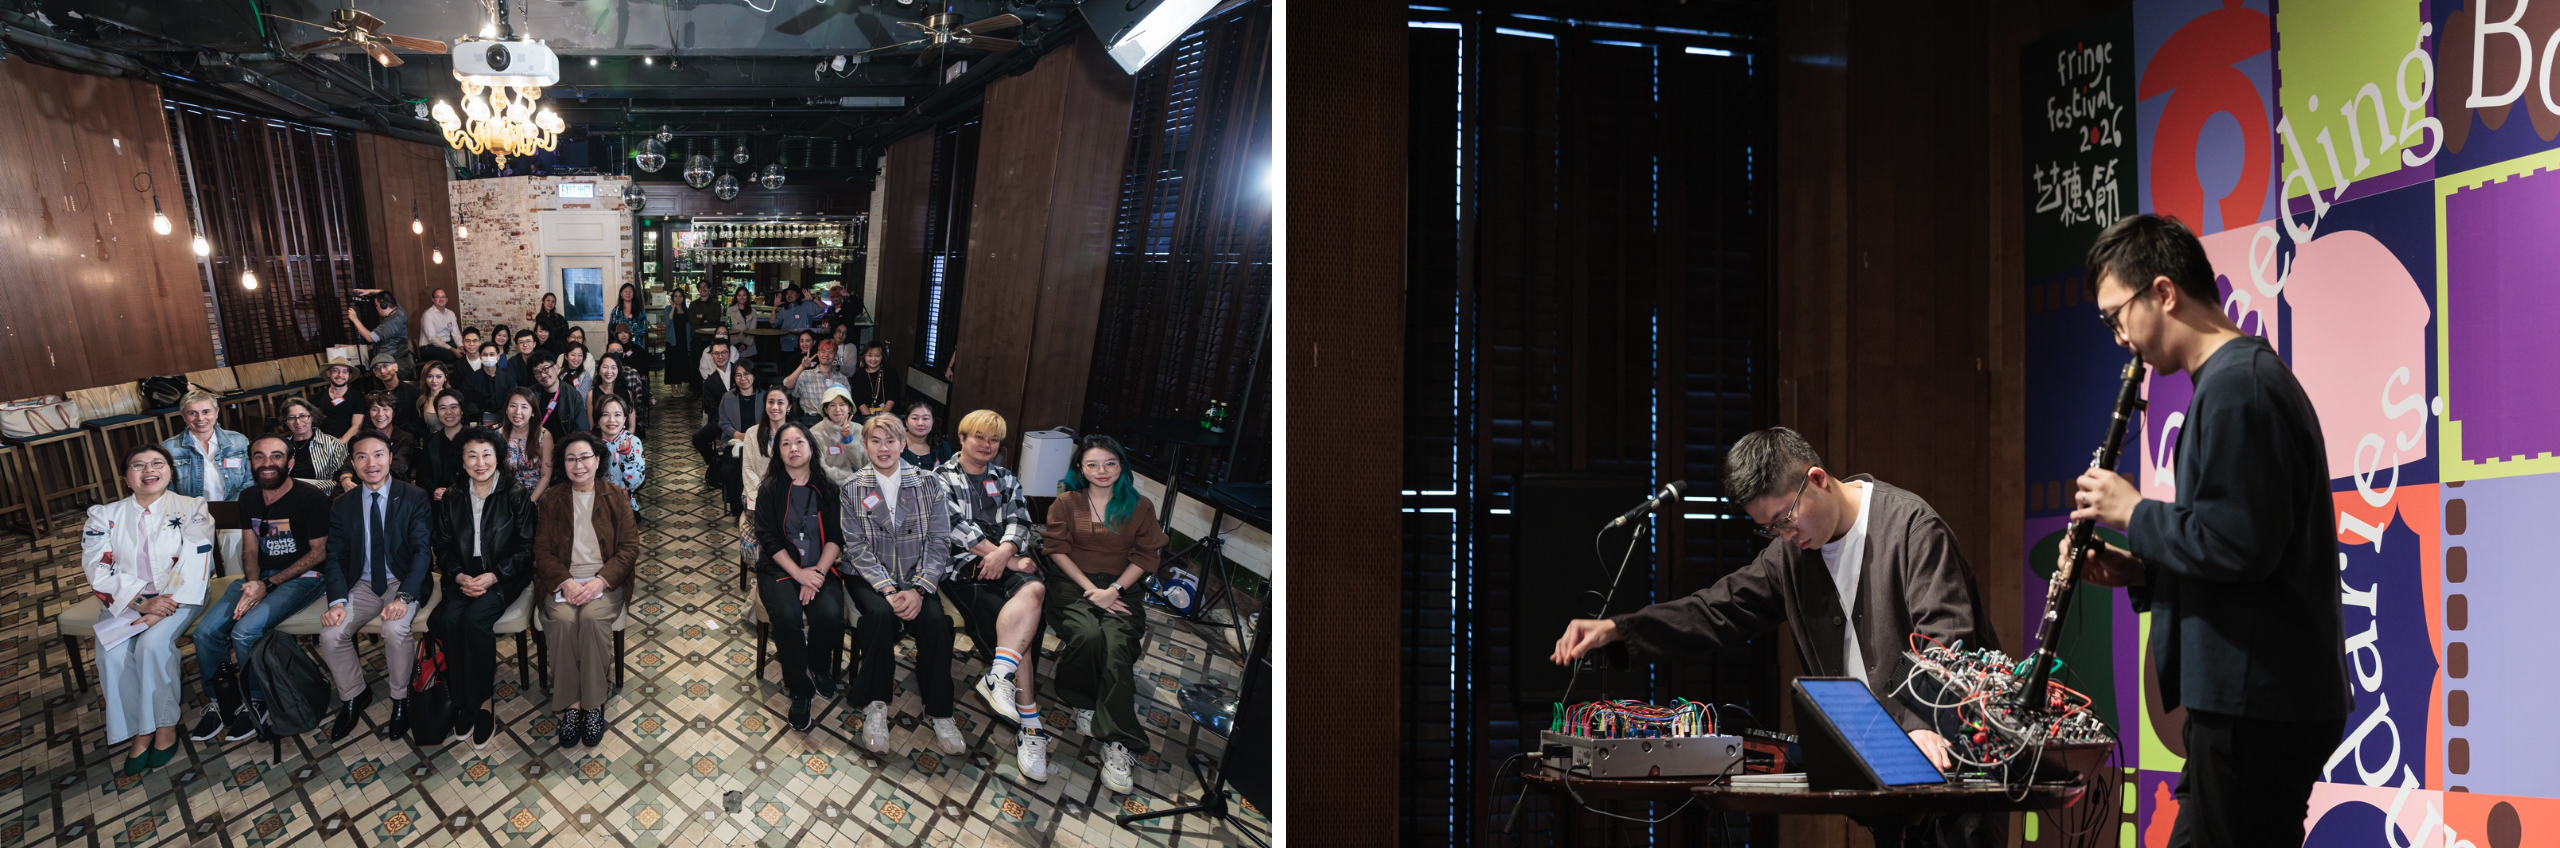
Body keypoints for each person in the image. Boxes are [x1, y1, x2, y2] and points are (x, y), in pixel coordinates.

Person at [1546, 427, 1998, 844]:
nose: (1783, 534)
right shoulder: (1790, 556)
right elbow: (1715, 609)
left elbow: (1943, 639)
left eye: (1785, 518)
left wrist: (1920, 726)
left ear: (1816, 478)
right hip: (1885, 775)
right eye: (1768, 528)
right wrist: (1619, 629)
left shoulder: (1911, 528)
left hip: (1955, 766)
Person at [2064, 214, 2349, 848]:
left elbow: (2240, 545)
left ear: (2163, 293)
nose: (2117, 338)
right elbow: (2240, 547)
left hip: (2259, 704)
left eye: (2117, 317)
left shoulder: (2239, 389)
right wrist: (2141, 568)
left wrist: (2134, 513)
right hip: (2253, 702)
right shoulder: (2229, 385)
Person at [1041, 435, 1169, 794]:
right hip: (1071, 586)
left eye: (1110, 463)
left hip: (1120, 587)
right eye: (1092, 464)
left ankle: (1117, 741)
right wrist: (1091, 591)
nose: (1102, 471)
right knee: (1088, 635)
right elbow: (1056, 550)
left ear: (1122, 467)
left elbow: (1146, 557)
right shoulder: (1066, 502)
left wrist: (1113, 591)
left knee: (1116, 643)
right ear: (1080, 468)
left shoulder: (1140, 505)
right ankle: (1082, 699)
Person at [840, 413, 968, 756]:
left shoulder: (928, 484)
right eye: (876, 441)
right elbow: (855, 547)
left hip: (916, 578)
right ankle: (876, 704)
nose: (884, 448)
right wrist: (889, 590)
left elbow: (940, 541)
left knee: (935, 624)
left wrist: (921, 588)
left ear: (904, 443)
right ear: (864, 445)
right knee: (880, 617)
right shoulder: (853, 488)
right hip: (869, 578)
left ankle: (940, 710)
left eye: (891, 440)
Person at [82, 445, 216, 773]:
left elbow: (197, 557)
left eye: (158, 463)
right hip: (127, 600)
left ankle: (166, 724)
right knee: (111, 654)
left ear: (170, 470)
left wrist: (160, 607)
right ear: (126, 477)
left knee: (152, 646)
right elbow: (97, 567)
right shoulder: (104, 515)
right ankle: (140, 730)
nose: (148, 470)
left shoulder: (191, 507)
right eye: (137, 465)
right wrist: (142, 603)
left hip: (180, 595)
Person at [189, 435, 329, 743]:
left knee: (244, 631)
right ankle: (222, 699)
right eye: (259, 456)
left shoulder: (311, 497)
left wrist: (267, 585)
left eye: (276, 456)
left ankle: (256, 699)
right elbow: (250, 551)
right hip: (260, 577)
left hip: (305, 578)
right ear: (251, 462)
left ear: (290, 463)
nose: (267, 463)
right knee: (206, 633)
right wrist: (253, 583)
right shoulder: (249, 497)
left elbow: (319, 553)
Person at [937, 410, 1051, 781]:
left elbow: (1021, 520)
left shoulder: (1005, 478)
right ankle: (1031, 724)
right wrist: (1005, 556)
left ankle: (998, 675)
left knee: (1035, 593)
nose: (987, 446)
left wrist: (1006, 553)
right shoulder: (941, 478)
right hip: (964, 568)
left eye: (994, 441)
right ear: (963, 437)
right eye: (979, 437)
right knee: (1021, 628)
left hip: (1010, 559)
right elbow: (954, 527)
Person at [318, 431, 435, 742]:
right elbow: (336, 557)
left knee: (395, 630)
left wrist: (404, 596)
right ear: (353, 465)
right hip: (363, 583)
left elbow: (422, 552)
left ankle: (400, 699)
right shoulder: (343, 504)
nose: (371, 463)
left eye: (378, 454)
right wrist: (337, 602)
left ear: (389, 458)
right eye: (362, 456)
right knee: (330, 635)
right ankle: (355, 694)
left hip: (402, 580)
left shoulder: (414, 496)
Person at [429, 427, 535, 749]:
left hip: (504, 573)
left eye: (487, 454)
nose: (480, 462)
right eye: (472, 455)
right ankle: (463, 701)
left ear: (498, 457)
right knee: (447, 620)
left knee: (475, 620)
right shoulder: (452, 496)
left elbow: (526, 548)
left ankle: (484, 702)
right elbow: (443, 545)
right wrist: (459, 576)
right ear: (462, 462)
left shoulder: (515, 493)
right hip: (463, 574)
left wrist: (493, 575)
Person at [535, 432, 640, 750]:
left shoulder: (616, 496)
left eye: (584, 458)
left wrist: (600, 580)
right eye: (570, 458)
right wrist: (565, 581)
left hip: (605, 583)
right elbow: (541, 551)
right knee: (565, 621)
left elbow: (629, 548)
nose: (578, 465)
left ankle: (593, 706)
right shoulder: (552, 499)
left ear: (597, 461)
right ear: (562, 464)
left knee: (592, 619)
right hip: (561, 582)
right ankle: (572, 706)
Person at [753, 421, 850, 731]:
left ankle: (819, 667)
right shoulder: (769, 489)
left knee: (831, 613)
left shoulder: (829, 489)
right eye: (785, 444)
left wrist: (817, 574)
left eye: (799, 442)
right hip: (780, 568)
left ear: (811, 448)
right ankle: (799, 688)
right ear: (778, 453)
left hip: (821, 567)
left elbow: (836, 536)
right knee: (787, 614)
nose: (793, 448)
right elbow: (767, 538)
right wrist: (798, 574)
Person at [161, 389, 249, 503]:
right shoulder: (169, 448)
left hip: (234, 509)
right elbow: (166, 489)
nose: (200, 418)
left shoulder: (239, 441)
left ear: (217, 413)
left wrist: (231, 507)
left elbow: (249, 480)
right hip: (190, 513)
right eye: (192, 413)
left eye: (206, 412)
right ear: (183, 416)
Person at [337, 393, 419, 487]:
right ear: (369, 413)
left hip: (395, 488)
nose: (380, 414)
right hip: (362, 486)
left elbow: (397, 468)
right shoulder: (363, 438)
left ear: (393, 412)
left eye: (385, 409)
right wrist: (346, 479)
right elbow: (349, 463)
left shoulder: (405, 438)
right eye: (375, 409)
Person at [711, 364, 761, 516]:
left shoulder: (765, 396)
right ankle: (739, 508)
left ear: (754, 375)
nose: (743, 378)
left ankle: (759, 507)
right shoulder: (728, 397)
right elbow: (723, 422)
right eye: (738, 375)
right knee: (733, 466)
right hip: (734, 441)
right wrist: (739, 435)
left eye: (747, 374)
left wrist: (754, 437)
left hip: (759, 442)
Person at [275, 397, 347, 489]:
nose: (298, 422)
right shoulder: (280, 447)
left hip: (321, 496)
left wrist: (310, 490)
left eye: (302, 416)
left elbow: (340, 481)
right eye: (291, 418)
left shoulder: (334, 445)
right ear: (286, 422)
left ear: (312, 417)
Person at [499, 388, 555, 503]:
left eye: (524, 407)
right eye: (513, 406)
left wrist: (530, 502)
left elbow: (546, 476)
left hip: (537, 493)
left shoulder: (544, 436)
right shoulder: (498, 435)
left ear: (533, 412)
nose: (517, 412)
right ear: (506, 410)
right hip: (507, 494)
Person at [595, 395, 646, 514]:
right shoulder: (590, 443)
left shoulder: (633, 442)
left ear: (624, 420)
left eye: (617, 414)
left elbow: (636, 482)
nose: (611, 420)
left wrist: (627, 457)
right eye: (605, 414)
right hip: (597, 506)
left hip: (625, 505)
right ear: (598, 420)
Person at [346, 289, 412, 377]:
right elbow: (384, 292)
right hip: (403, 359)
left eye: (376, 305)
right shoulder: (400, 311)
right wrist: (368, 291)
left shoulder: (389, 324)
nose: (376, 308)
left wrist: (355, 319)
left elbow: (370, 338)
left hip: (393, 363)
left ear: (383, 305)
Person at [785, 340, 851, 426]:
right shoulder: (806, 375)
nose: (826, 355)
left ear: (835, 356)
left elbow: (847, 404)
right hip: (811, 422)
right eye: (823, 351)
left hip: (837, 423)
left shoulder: (842, 379)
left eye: (830, 352)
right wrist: (802, 366)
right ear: (818, 354)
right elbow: (787, 385)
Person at [417, 391, 469, 497]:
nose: (448, 412)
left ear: (462, 410)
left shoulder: (475, 439)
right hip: (440, 503)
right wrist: (434, 491)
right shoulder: (431, 441)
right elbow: (422, 478)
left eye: (454, 407)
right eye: (442, 408)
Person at [531, 355, 591, 441]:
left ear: (555, 367)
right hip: (537, 446)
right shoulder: (531, 394)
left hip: (565, 447)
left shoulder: (573, 395)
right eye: (537, 372)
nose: (543, 375)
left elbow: (581, 429)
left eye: (545, 369)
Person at [809, 388, 863, 481]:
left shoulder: (860, 430)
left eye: (842, 404)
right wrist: (850, 475)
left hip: (859, 485)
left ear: (849, 408)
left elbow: (863, 464)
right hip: (828, 486)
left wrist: (849, 440)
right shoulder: (814, 433)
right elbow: (820, 470)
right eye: (832, 405)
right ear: (825, 409)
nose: (838, 409)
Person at [314, 356, 366, 443]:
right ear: (328, 373)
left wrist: (339, 444)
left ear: (349, 376)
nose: (340, 375)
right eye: (335, 370)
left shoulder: (358, 397)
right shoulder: (316, 397)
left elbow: (356, 426)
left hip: (346, 442)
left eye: (345, 372)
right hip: (321, 442)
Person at [461, 342, 512, 422]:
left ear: (498, 356)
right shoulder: (471, 379)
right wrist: (481, 415)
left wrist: (501, 414)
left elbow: (511, 399)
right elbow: (468, 401)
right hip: (479, 420)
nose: (488, 357)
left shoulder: (507, 378)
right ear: (480, 357)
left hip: (503, 419)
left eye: (492, 354)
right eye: (485, 355)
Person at [847, 342, 899, 417]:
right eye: (869, 355)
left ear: (882, 357)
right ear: (864, 356)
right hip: (865, 417)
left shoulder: (891, 373)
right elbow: (859, 401)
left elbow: (892, 397)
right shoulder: (858, 376)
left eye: (877, 356)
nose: (873, 359)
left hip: (888, 416)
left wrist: (881, 419)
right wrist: (870, 420)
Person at [899, 403, 955, 469]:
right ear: (906, 421)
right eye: (915, 418)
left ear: (933, 421)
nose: (920, 423)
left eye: (925, 418)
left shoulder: (942, 447)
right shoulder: (895, 443)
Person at [417, 288, 462, 369]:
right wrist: (452, 349)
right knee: (450, 355)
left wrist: (461, 346)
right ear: (433, 300)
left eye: (443, 297)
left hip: (447, 344)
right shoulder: (428, 314)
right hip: (429, 347)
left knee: (465, 352)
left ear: (447, 300)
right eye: (438, 297)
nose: (441, 299)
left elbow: (456, 334)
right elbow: (433, 338)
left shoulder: (451, 313)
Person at [414, 362, 456, 435]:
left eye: (439, 376)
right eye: (429, 376)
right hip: (432, 442)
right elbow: (421, 428)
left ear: (445, 377)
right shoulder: (421, 399)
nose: (434, 381)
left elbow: (463, 425)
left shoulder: (454, 397)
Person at [610, 283, 649, 351]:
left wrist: (630, 334)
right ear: (621, 294)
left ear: (633, 294)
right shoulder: (616, 311)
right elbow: (611, 327)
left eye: (630, 291)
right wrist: (620, 335)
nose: (628, 293)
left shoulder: (640, 310)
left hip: (636, 343)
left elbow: (644, 327)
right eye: (625, 291)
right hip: (619, 345)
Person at [727, 288, 761, 359]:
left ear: (747, 296)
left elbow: (752, 330)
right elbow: (729, 329)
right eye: (739, 295)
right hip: (735, 346)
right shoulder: (730, 310)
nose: (741, 298)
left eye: (744, 295)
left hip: (748, 346)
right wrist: (738, 345)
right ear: (736, 296)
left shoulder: (753, 312)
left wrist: (744, 345)